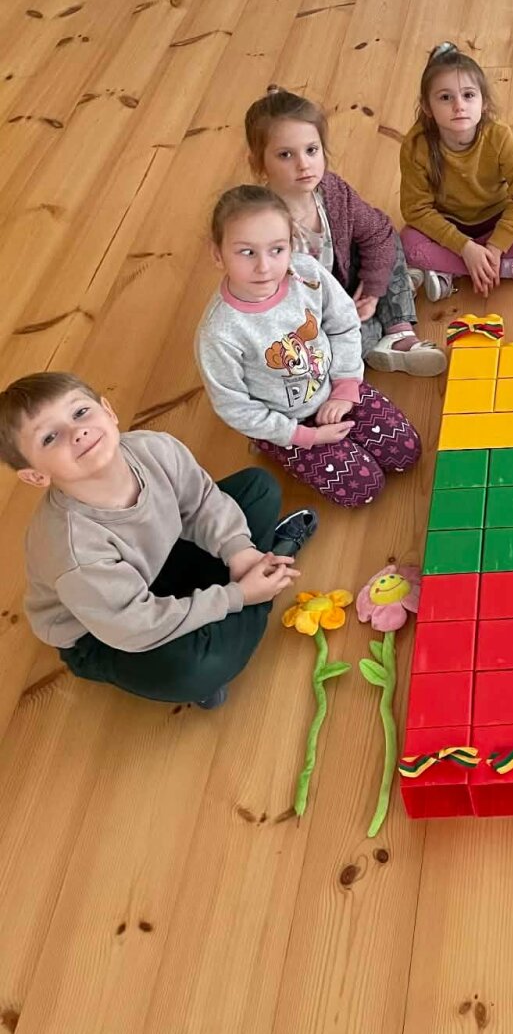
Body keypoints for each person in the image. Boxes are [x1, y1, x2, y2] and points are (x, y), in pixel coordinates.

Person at [4, 371, 314, 709]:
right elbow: (134, 625)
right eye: (50, 437)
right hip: (107, 631)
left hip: (160, 559)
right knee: (196, 670)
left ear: (108, 411)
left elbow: (201, 502)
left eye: (80, 412)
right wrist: (237, 596)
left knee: (259, 488)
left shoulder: (154, 448)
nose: (77, 432)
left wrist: (238, 550)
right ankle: (265, 577)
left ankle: (250, 585)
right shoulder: (74, 550)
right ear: (36, 476)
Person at [195, 186, 420, 509]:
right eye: (246, 252)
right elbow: (235, 407)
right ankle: (272, 448)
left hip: (335, 387)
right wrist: (302, 437)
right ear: (217, 254)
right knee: (365, 488)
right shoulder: (219, 333)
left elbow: (343, 325)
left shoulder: (308, 273)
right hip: (287, 423)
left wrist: (345, 389)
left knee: (406, 452)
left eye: (277, 249)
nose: (264, 266)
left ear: (292, 244)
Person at [244, 86, 444, 377]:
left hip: (348, 282)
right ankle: (386, 319)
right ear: (259, 163)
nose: (303, 164)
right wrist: (343, 315)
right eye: (285, 155)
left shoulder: (332, 190)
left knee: (388, 238)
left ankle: (399, 331)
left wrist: (372, 291)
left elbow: (378, 234)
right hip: (316, 320)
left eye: (311, 150)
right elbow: (272, 312)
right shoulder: (259, 227)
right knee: (321, 359)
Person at [399, 41, 513, 301]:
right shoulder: (416, 146)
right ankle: (510, 267)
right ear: (427, 107)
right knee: (408, 243)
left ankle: (453, 269)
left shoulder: (499, 136)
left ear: (484, 102)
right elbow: (415, 210)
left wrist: (496, 246)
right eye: (445, 97)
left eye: (468, 95)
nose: (459, 106)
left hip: (495, 219)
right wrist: (465, 247)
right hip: (448, 224)